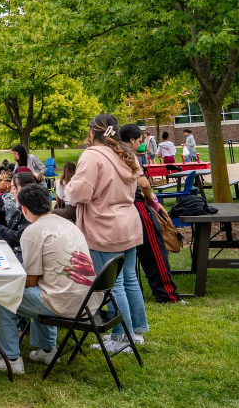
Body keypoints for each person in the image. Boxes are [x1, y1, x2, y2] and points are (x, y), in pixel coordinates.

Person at [0, 183, 98, 374]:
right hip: (87, 299)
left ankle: (10, 359)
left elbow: (31, 281)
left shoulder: (32, 231)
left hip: (62, 302)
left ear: (24, 208)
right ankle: (47, 350)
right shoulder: (68, 223)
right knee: (41, 289)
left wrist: (7, 280)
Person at [64, 113, 148, 352]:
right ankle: (137, 330)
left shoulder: (93, 156)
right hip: (128, 221)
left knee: (115, 284)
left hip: (104, 225)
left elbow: (79, 193)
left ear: (93, 131)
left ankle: (123, 338)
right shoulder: (125, 154)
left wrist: (68, 186)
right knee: (129, 279)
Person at [119, 124, 182, 304]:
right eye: (139, 141)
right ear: (131, 139)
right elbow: (145, 184)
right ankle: (166, 294)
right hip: (137, 206)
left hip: (117, 208)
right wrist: (151, 198)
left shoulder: (111, 154)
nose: (141, 144)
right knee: (154, 251)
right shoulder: (128, 155)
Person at [0, 171, 35, 261]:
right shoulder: (20, 209)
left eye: (14, 188)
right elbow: (12, 231)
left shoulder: (31, 210)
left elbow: (20, 237)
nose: (11, 192)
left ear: (26, 189)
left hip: (24, 256)